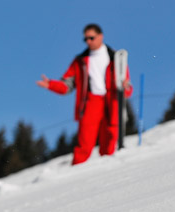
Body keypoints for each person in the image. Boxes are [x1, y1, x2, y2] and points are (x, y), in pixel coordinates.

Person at [36, 23, 133, 165]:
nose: (88, 41)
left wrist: (125, 87)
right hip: (90, 102)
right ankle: (77, 171)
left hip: (111, 101)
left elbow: (126, 84)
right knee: (85, 141)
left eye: (91, 38)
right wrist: (51, 85)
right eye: (85, 39)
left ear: (101, 36)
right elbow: (67, 85)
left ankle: (109, 170)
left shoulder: (115, 58)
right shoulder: (80, 61)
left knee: (111, 139)